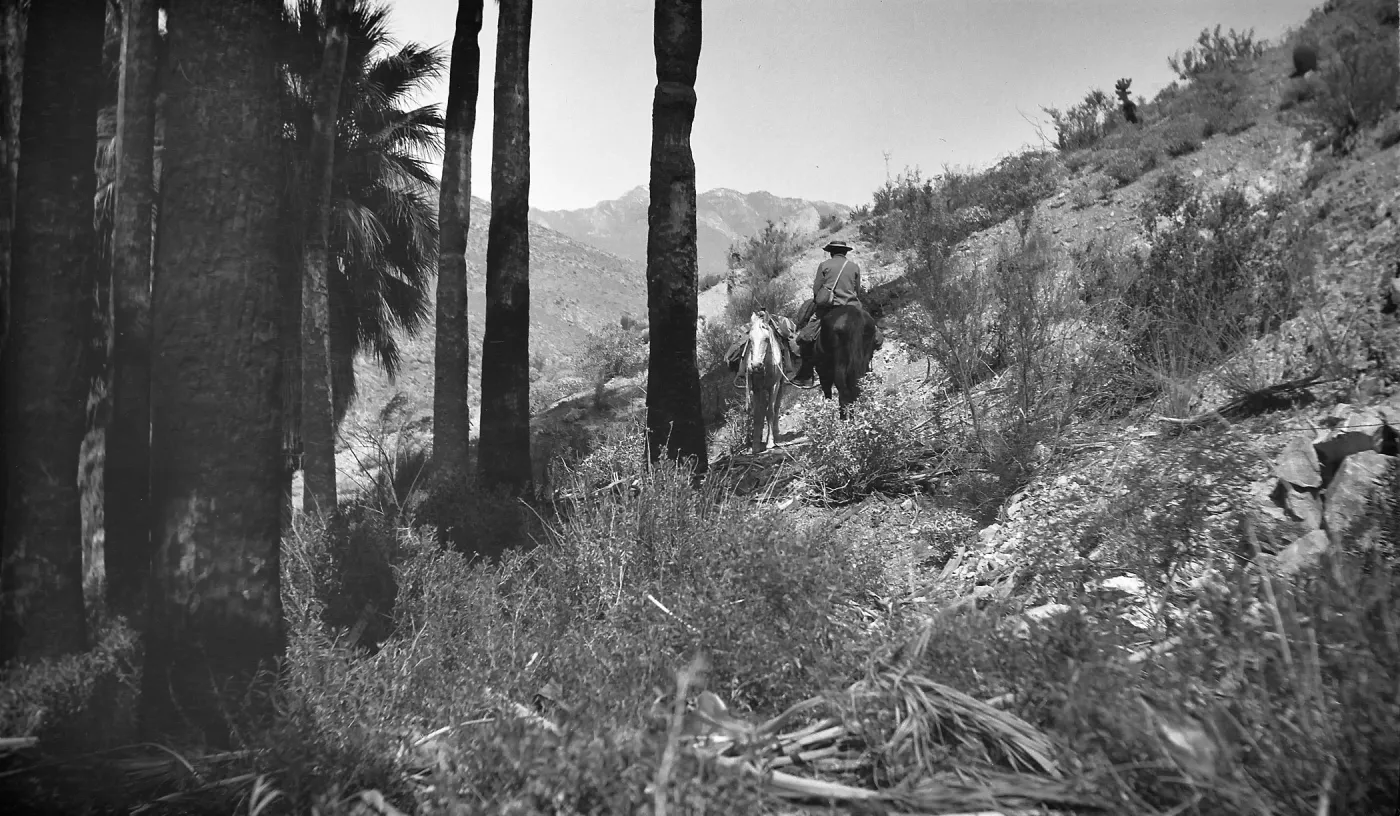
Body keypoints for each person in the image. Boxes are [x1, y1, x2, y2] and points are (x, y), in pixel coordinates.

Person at [792, 239, 861, 386]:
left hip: (830, 309)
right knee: (871, 332)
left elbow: (817, 290)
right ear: (845, 252)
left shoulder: (824, 266)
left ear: (831, 252)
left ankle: (806, 376)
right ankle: (867, 370)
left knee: (806, 337)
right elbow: (857, 291)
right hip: (852, 308)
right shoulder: (854, 267)